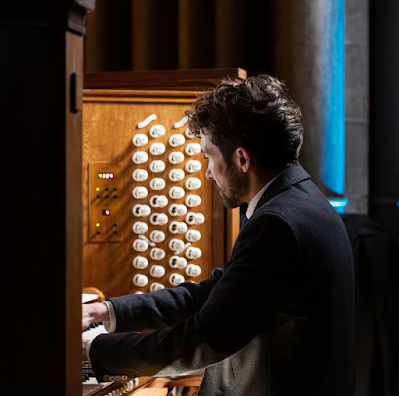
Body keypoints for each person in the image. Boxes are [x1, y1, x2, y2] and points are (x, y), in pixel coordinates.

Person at [82, 74, 355, 396]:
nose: (208, 173)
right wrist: (107, 312)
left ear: (241, 158)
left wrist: (93, 351)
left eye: (209, 156)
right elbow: (215, 293)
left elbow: (206, 338)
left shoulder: (279, 222)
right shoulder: (301, 202)